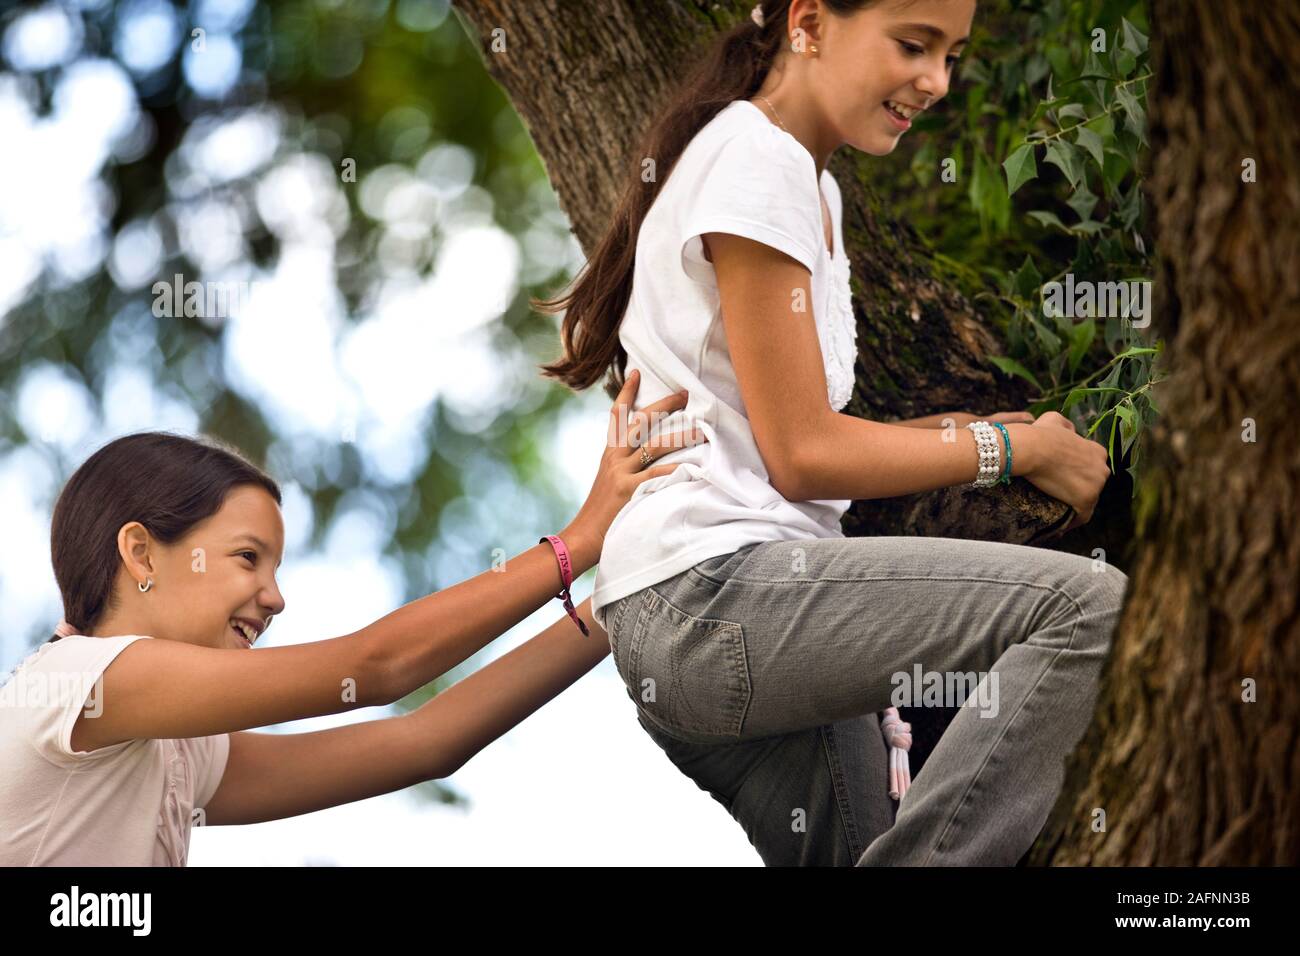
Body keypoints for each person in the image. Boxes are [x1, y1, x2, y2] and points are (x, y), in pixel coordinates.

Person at [534, 0, 1127, 865]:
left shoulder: (810, 183)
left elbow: (795, 427)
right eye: (914, 45)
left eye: (953, 55)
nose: (938, 82)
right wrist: (1014, 451)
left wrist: (967, 433)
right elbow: (803, 455)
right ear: (808, 22)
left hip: (731, 615)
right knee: (1089, 611)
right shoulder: (755, 157)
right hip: (713, 592)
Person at [0, 371, 705, 865]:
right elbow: (375, 669)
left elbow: (427, 742)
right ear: (141, 553)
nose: (276, 599)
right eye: (248, 558)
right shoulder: (76, 683)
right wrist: (577, 542)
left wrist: (624, 589)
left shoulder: (179, 751)